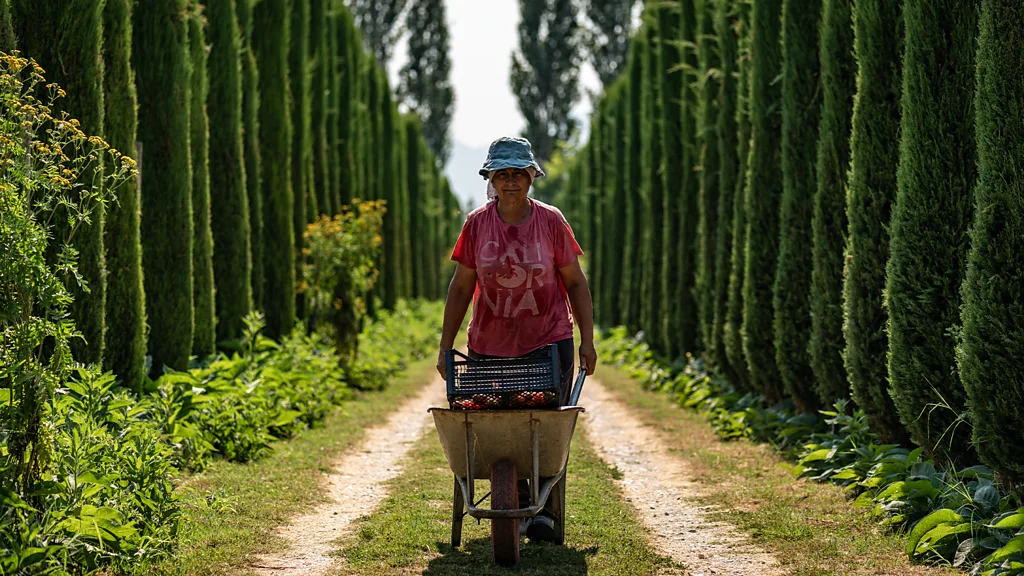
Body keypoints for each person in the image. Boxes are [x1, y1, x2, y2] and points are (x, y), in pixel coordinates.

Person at [435, 136, 597, 541]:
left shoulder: (550, 221)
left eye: (518, 174)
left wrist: (587, 340)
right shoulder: (476, 224)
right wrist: (444, 345)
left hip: (548, 340)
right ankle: (519, 502)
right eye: (502, 174)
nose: (511, 182)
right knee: (499, 427)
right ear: (490, 178)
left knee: (544, 426)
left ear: (531, 177)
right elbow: (460, 289)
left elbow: (575, 283)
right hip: (489, 345)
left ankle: (543, 512)